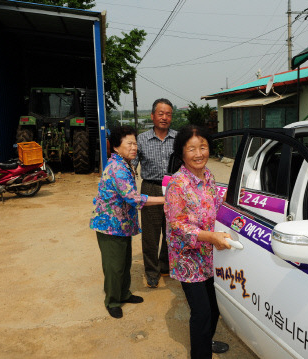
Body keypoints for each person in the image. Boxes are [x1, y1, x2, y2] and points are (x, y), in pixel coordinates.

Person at [164, 125, 232, 358]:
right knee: (201, 312)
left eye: (203, 147)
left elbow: (217, 206)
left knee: (214, 308)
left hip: (209, 255)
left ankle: (206, 341)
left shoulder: (210, 176)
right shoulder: (178, 183)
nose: (199, 153)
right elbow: (178, 224)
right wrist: (211, 236)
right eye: (192, 148)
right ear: (182, 153)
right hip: (188, 258)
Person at [90, 125, 164, 319]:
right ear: (116, 147)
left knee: (124, 262)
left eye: (135, 144)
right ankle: (112, 301)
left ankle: (124, 293)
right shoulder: (117, 168)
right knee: (114, 267)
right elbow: (134, 198)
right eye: (129, 144)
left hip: (122, 225)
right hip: (110, 227)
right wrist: (166, 199)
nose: (134, 148)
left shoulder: (124, 164)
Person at [132, 98, 177, 288]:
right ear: (152, 116)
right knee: (151, 234)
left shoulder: (178, 138)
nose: (164, 117)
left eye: (168, 114)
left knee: (172, 230)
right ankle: (152, 272)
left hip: (174, 189)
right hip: (150, 188)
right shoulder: (141, 139)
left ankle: (165, 265)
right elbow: (133, 163)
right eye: (161, 113)